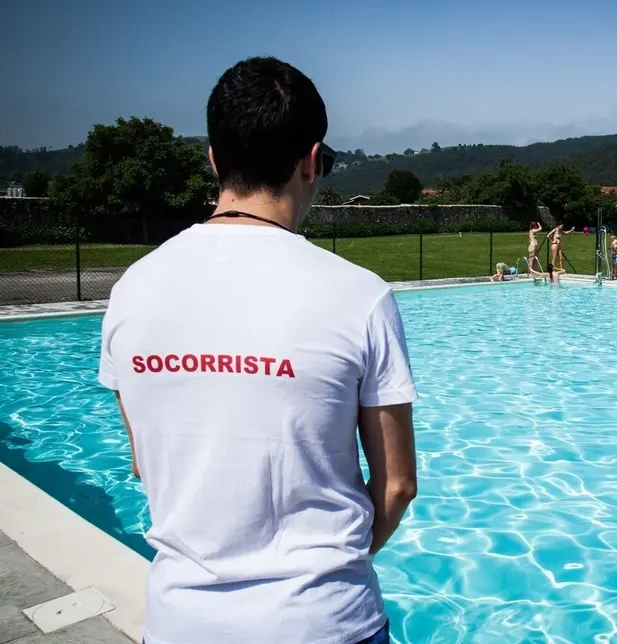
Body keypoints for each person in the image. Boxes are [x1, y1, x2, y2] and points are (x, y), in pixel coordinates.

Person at [98, 57, 417, 644]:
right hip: (326, 622)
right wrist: (323, 571)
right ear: (313, 160)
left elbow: (146, 461)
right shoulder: (359, 296)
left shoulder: (132, 290)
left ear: (214, 157)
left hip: (180, 623)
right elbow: (397, 485)